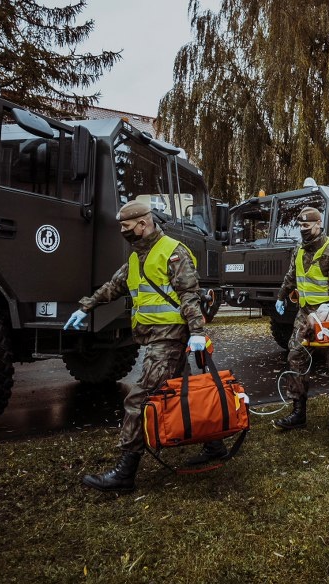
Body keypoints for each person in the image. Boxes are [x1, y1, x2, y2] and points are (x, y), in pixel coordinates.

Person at [63, 200, 210, 492]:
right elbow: (114, 286)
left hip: (169, 338)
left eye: (126, 227)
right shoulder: (136, 257)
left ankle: (125, 473)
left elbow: (190, 295)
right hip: (155, 336)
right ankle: (215, 444)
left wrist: (197, 332)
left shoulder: (173, 252)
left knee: (138, 400)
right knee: (184, 394)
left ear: (143, 224)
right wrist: (86, 307)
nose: (123, 231)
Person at [274, 206, 329, 430]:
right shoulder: (299, 249)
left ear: (319, 224)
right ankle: (298, 412)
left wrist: (328, 313)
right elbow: (292, 276)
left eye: (306, 226)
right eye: (300, 226)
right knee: (296, 356)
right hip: (305, 313)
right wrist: (281, 296)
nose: (303, 230)